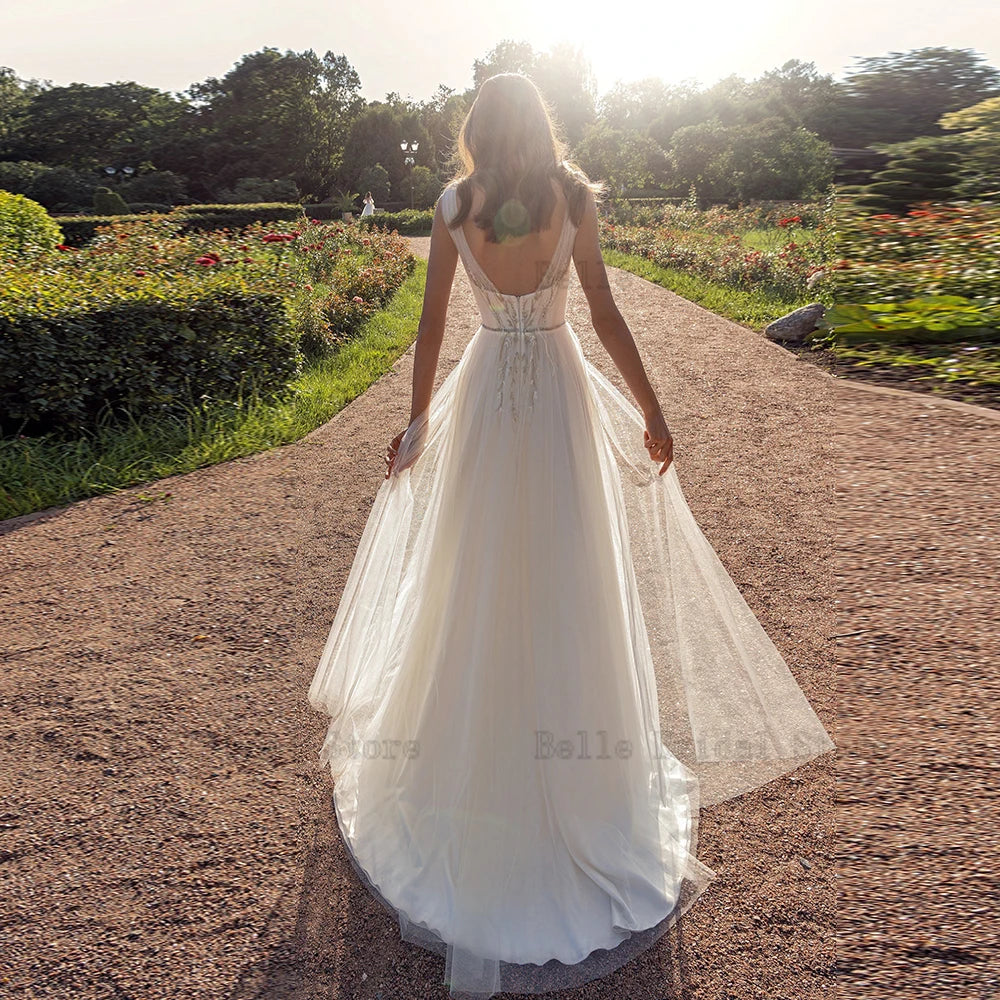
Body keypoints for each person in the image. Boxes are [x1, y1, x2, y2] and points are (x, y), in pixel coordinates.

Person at [308, 72, 834, 998]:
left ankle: (457, 770)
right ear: (542, 126)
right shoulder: (574, 196)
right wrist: (652, 410)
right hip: (556, 395)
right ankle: (585, 787)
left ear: (475, 129)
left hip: (481, 403)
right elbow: (604, 312)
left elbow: (432, 324)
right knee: (571, 579)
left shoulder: (451, 204)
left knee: (467, 575)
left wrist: (419, 419)